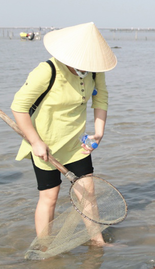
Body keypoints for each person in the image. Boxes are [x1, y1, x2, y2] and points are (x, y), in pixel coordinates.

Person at [11, 22, 117, 246]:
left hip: (77, 144)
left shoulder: (94, 71)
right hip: (45, 144)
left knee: (88, 194)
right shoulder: (47, 71)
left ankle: (98, 242)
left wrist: (98, 133)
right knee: (50, 196)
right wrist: (36, 141)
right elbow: (19, 106)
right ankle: (44, 246)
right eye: (82, 64)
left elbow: (101, 98)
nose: (85, 68)